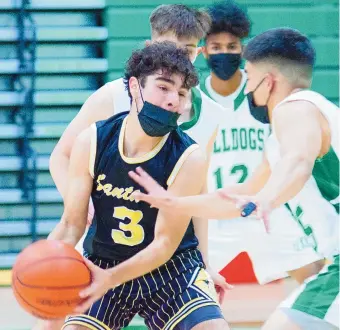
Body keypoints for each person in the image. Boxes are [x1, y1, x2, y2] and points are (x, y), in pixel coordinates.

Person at [128, 28, 339, 330]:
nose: (249, 89)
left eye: (250, 79)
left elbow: (298, 161)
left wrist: (266, 201)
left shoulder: (294, 109)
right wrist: (174, 201)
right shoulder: (299, 121)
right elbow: (241, 195)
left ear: (270, 81)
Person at [48, 3, 228, 295]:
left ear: (200, 53)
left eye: (188, 50)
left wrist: (205, 261)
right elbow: (61, 157)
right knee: (55, 313)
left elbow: (197, 194)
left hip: (166, 249)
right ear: (149, 46)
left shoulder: (212, 115)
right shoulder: (113, 96)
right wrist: (81, 204)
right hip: (106, 238)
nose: (177, 58)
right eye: (169, 47)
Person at [199, 0, 325, 287]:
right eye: (216, 47)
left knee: (314, 275)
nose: (224, 53)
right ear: (203, 50)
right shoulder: (193, 97)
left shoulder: (265, 89)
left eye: (232, 46)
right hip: (216, 213)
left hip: (264, 206)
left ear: (243, 49)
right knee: (192, 288)